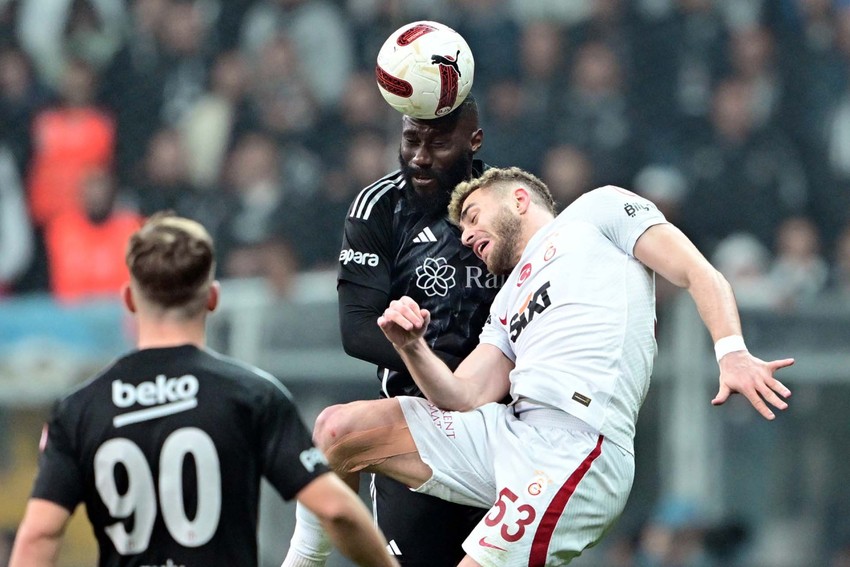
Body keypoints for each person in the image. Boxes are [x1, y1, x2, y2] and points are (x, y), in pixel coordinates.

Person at [290, 166, 794, 566]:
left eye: (471, 215)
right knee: (337, 429)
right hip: (511, 433)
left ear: (518, 198)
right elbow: (461, 395)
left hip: (578, 448)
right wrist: (411, 346)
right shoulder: (507, 299)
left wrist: (730, 350)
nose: (465, 236)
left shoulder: (596, 212)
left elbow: (697, 270)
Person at [8, 212, 398, 567]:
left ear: (128, 299)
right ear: (212, 297)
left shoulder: (79, 409)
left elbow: (41, 533)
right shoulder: (253, 396)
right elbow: (338, 512)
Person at [283, 96, 502, 567]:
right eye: (411, 140)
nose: (420, 156)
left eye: (439, 143)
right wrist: (441, 373)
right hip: (416, 427)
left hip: (505, 433)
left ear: (474, 141)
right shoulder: (378, 207)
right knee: (333, 429)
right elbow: (356, 329)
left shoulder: (507, 207)